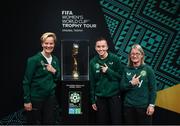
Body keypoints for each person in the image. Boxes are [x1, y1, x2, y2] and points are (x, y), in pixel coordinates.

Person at [22, 32, 60, 124]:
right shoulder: (33, 60)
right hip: (36, 99)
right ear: (42, 44)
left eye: (51, 43)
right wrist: (27, 101)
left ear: (54, 44)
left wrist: (54, 71)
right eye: (46, 43)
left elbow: (57, 77)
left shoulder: (55, 59)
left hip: (50, 98)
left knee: (49, 122)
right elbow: (26, 82)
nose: (48, 46)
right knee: (34, 123)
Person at [89, 37, 124, 124]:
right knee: (101, 122)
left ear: (107, 47)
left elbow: (121, 77)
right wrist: (93, 100)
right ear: (95, 48)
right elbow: (92, 83)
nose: (101, 49)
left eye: (103, 46)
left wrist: (108, 71)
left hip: (114, 96)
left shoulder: (115, 59)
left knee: (116, 122)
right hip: (100, 98)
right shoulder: (93, 62)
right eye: (98, 46)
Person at [120, 44, 157, 124]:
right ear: (130, 56)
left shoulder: (148, 70)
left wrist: (151, 105)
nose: (135, 56)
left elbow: (153, 89)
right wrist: (131, 83)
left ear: (142, 55)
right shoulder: (126, 69)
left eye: (137, 54)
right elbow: (122, 87)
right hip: (129, 107)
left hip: (143, 107)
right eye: (132, 54)